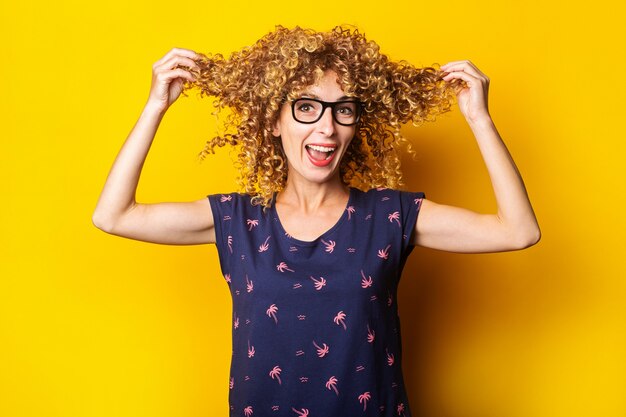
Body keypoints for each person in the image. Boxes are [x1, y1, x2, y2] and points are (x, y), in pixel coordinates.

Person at [92, 25, 540, 417]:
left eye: (343, 110)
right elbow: (114, 215)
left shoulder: (390, 216)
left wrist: (479, 119)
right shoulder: (237, 219)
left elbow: (518, 231)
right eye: (307, 107)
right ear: (272, 120)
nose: (327, 127)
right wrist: (155, 107)